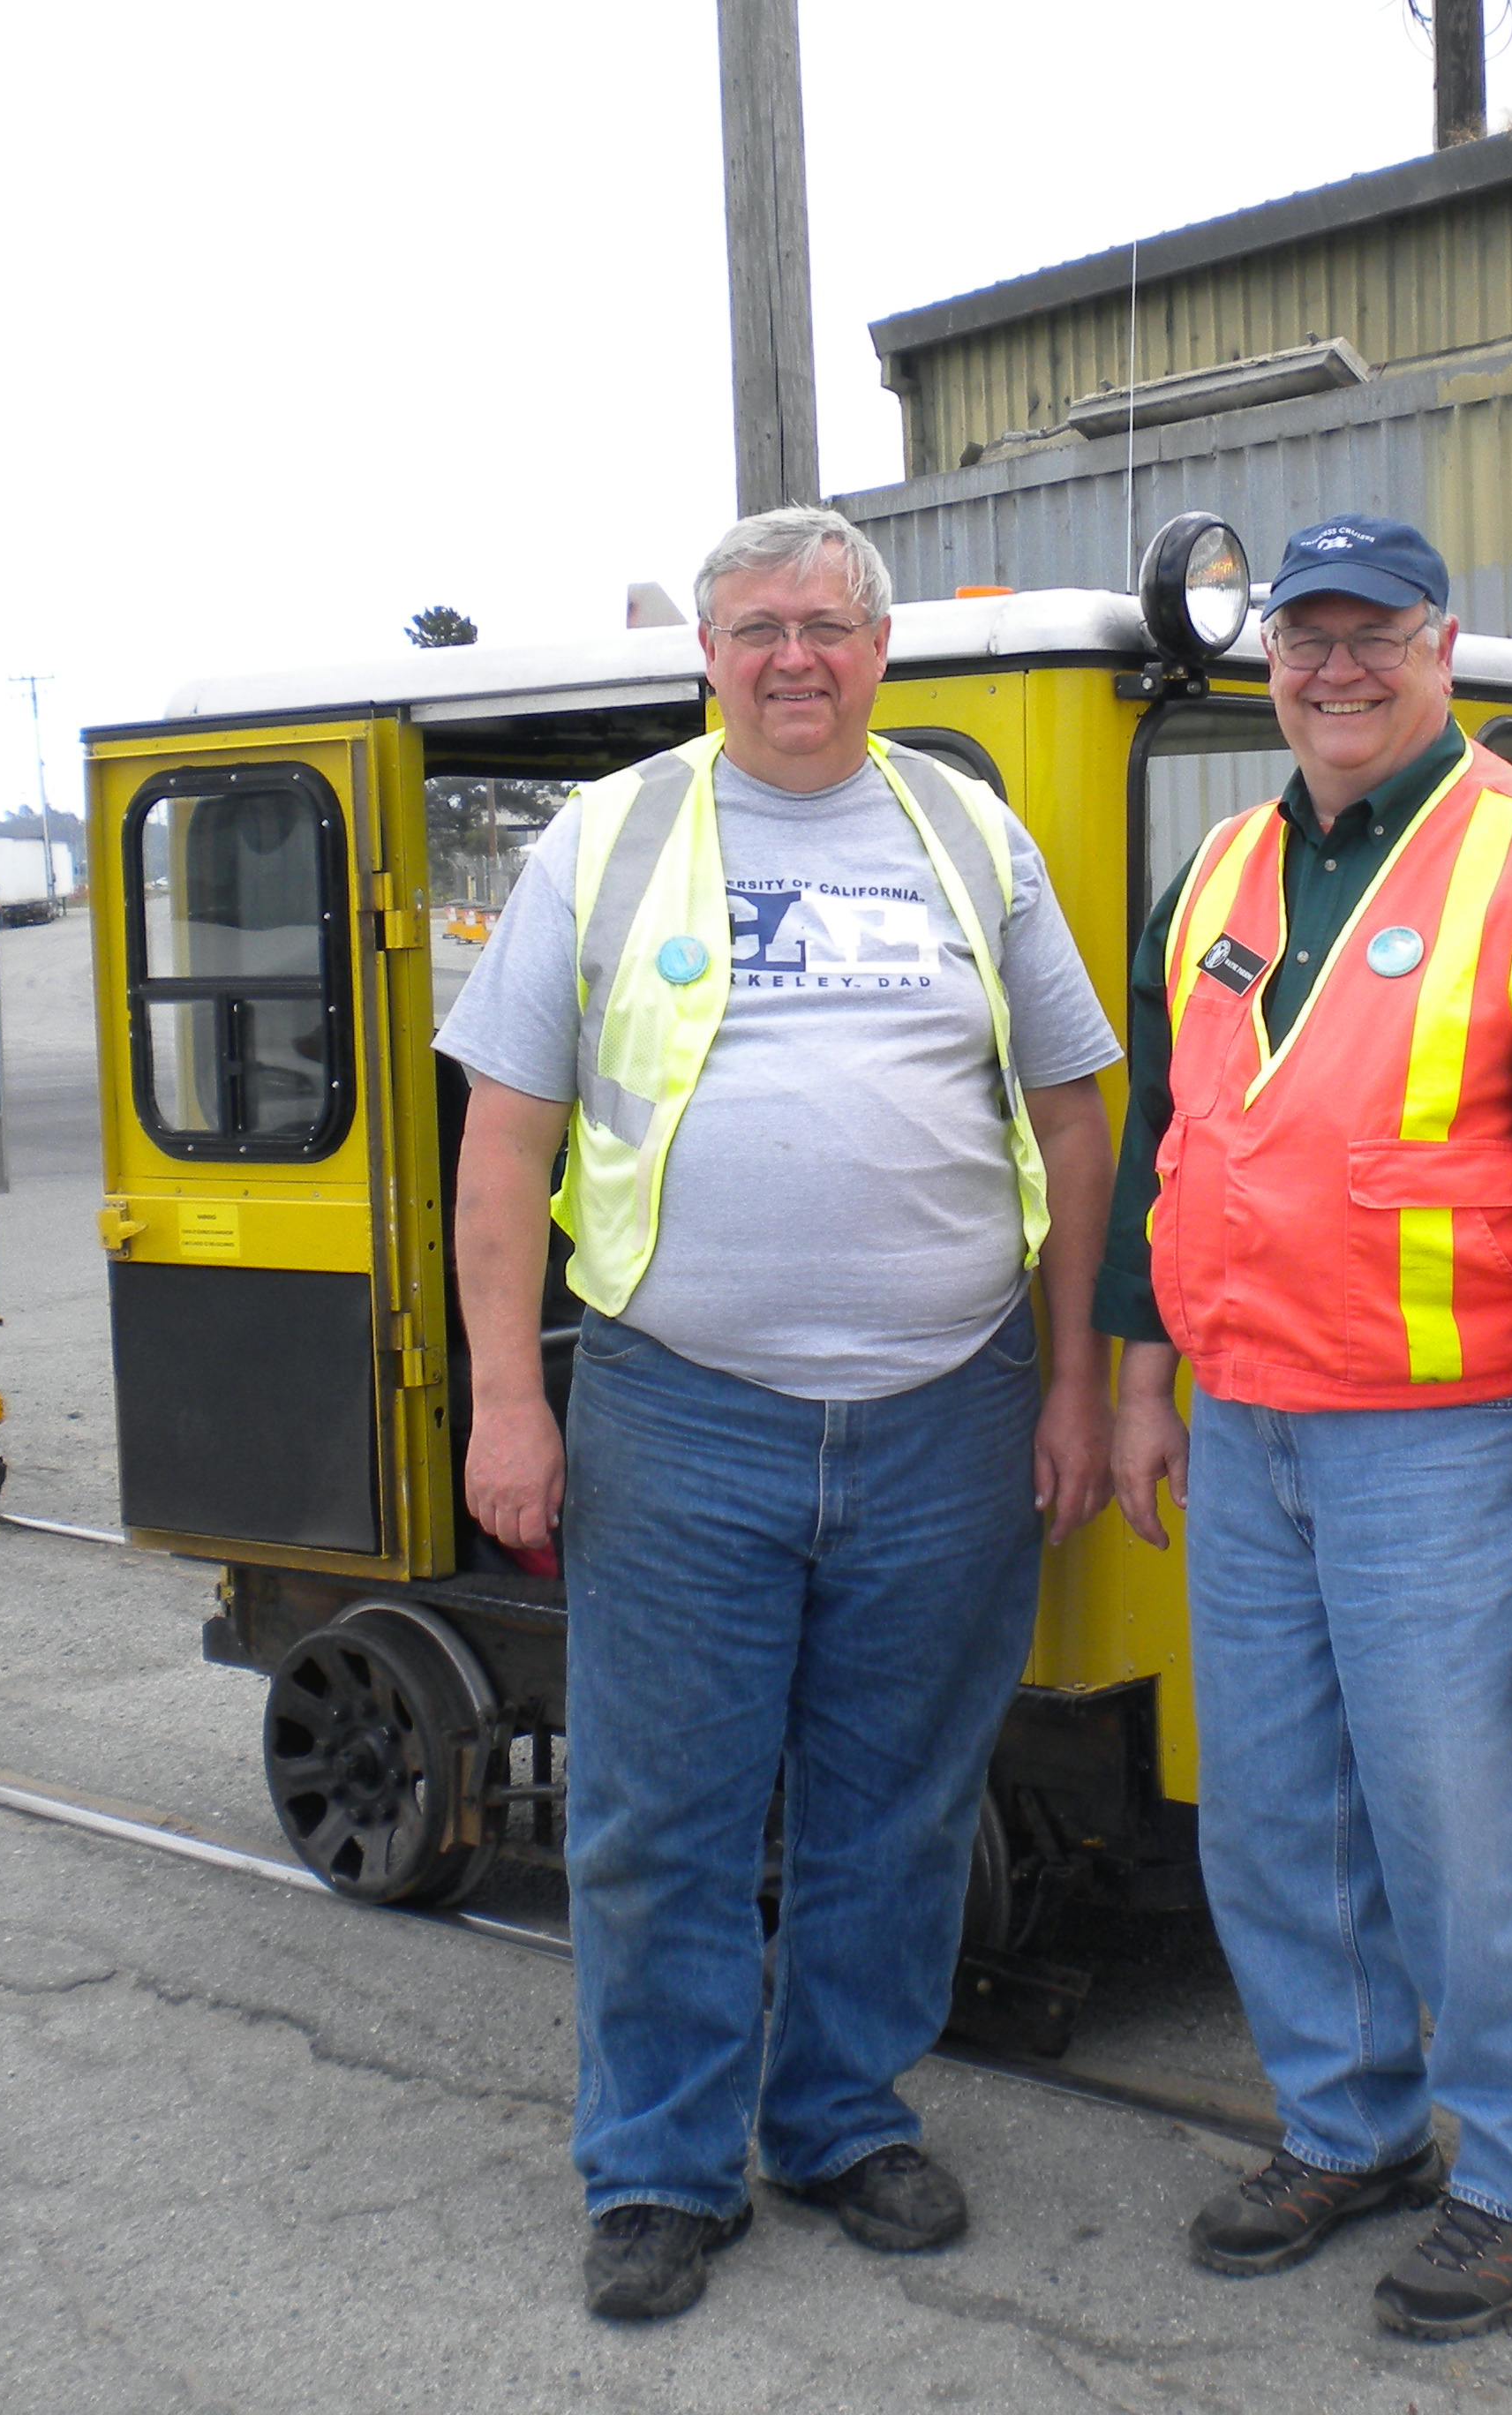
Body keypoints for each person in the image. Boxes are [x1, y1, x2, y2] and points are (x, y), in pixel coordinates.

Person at [436, 506, 1121, 2324]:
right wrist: (512, 1399)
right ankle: (660, 2167)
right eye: (757, 629)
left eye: (826, 624)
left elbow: (1072, 1110)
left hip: (949, 1414)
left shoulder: (970, 837)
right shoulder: (610, 836)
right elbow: (501, 1140)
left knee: (896, 1804)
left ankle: (836, 2118)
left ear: (879, 650)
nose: (793, 657)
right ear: (710, 659)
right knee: (664, 1814)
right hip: (687, 1413)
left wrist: (1068, 1378)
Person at [1098, 515, 1512, 2341]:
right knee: (1277, 1814)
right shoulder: (1219, 869)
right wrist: (1145, 1377)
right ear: (1268, 659)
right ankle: (1345, 2123)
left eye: (1375, 633)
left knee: (1468, 1818)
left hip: (1451, 1441)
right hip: (1251, 1427)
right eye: (1307, 637)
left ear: (1445, 643)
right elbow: (1169, 1146)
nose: (1336, 668)